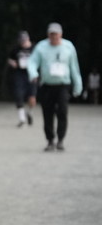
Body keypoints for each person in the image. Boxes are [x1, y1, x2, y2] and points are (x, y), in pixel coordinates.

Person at [28, 22, 83, 151]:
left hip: (63, 84)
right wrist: (33, 73)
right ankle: (50, 140)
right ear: (48, 35)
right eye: (51, 34)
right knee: (47, 113)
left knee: (62, 111)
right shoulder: (41, 47)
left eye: (56, 34)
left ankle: (61, 139)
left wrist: (78, 84)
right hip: (47, 85)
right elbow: (32, 62)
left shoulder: (68, 47)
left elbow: (74, 67)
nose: (54, 37)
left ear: (61, 34)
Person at [7, 30, 37, 127]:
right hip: (19, 74)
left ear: (28, 39)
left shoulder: (35, 48)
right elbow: (10, 59)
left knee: (32, 98)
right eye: (21, 41)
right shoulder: (16, 49)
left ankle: (29, 113)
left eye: (24, 40)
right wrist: (13, 63)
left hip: (31, 74)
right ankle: (22, 119)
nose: (23, 43)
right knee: (18, 95)